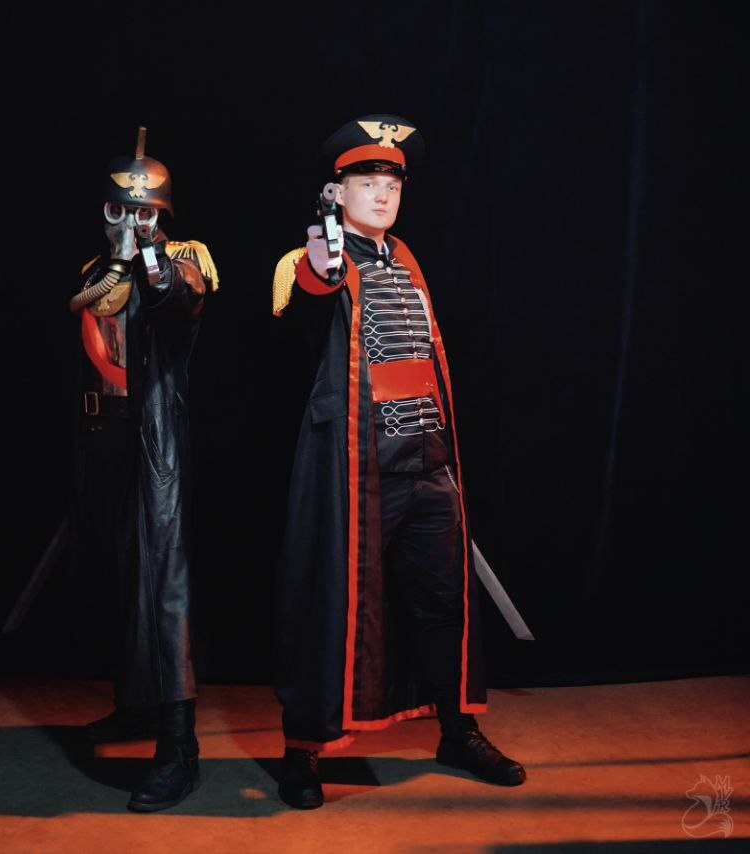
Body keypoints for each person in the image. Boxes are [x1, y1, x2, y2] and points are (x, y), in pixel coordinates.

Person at [270, 114, 525, 810]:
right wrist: (322, 261)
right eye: (366, 181)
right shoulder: (313, 257)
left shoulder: (407, 259)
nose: (382, 194)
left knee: (443, 601)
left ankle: (457, 731)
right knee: (327, 602)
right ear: (335, 190)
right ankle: (303, 750)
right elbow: (312, 297)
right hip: (359, 465)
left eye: (392, 183)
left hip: (429, 462)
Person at [69, 127, 217, 812]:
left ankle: (179, 746)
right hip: (106, 439)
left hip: (156, 440)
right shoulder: (94, 275)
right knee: (121, 577)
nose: (130, 222)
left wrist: (149, 253)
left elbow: (176, 300)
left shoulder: (182, 263)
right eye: (119, 211)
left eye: (145, 211)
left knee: (165, 589)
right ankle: (136, 705)